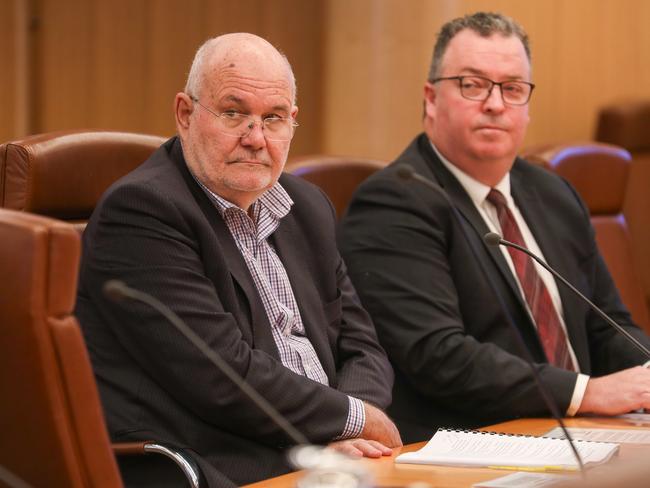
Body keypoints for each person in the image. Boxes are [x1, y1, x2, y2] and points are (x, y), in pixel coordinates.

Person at [76, 33, 401, 487]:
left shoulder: (306, 206)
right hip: (226, 463)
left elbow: (362, 344)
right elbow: (221, 374)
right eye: (233, 113)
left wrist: (355, 431)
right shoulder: (142, 210)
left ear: (293, 122)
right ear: (185, 115)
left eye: (273, 118)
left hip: (336, 460)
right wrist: (347, 421)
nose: (255, 138)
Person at [338, 12, 650, 443]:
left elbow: (606, 323)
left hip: (584, 433)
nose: (496, 104)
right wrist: (586, 393)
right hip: (474, 443)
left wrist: (646, 373)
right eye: (473, 84)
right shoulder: (395, 201)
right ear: (431, 98)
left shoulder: (553, 192)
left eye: (513, 88)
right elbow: (439, 356)